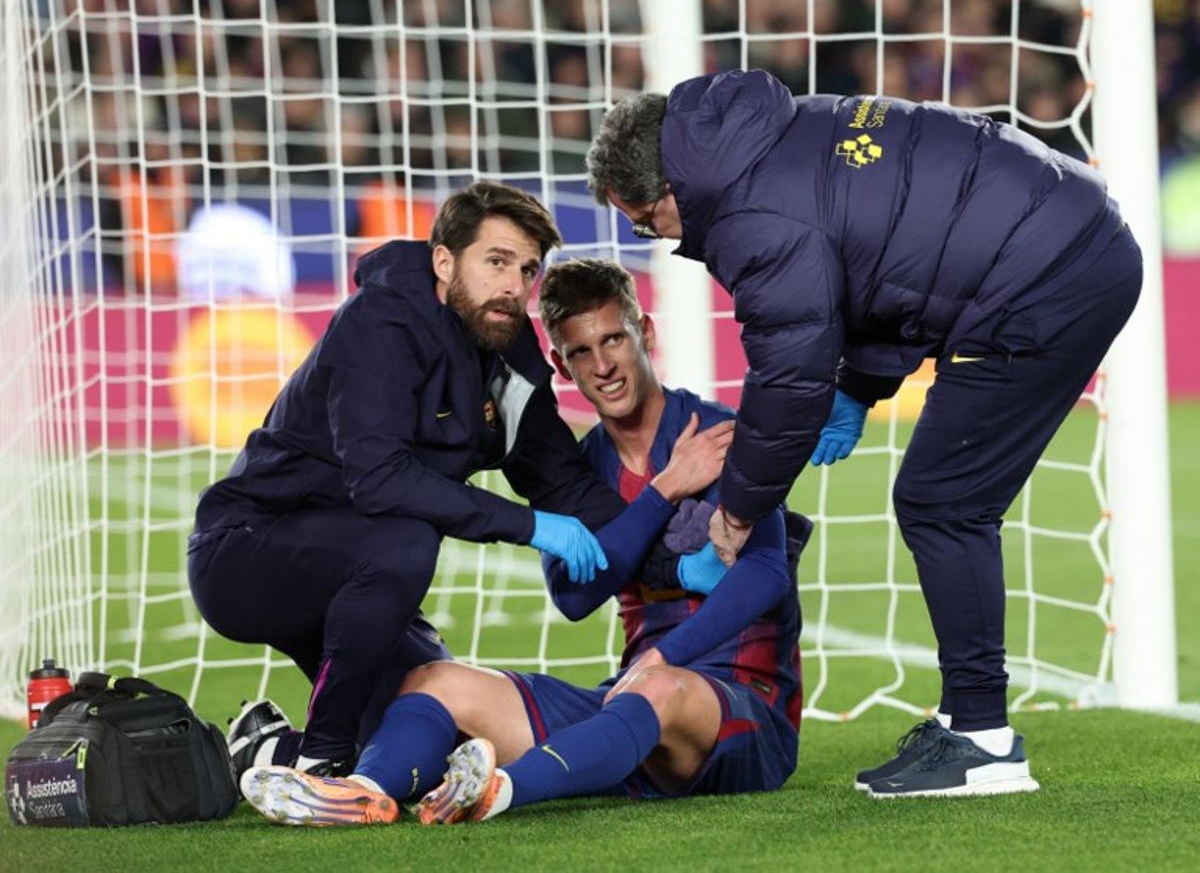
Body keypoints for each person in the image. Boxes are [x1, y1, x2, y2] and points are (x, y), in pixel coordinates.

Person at [585, 69, 1143, 798]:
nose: (649, 236)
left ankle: (983, 741)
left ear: (663, 193)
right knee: (941, 496)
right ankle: (966, 722)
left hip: (1046, 272)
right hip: (1065, 230)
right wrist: (857, 386)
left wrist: (739, 509)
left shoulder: (747, 215)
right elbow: (890, 261)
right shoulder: (768, 133)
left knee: (943, 501)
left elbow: (788, 376)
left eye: (640, 220)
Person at [239, 257, 809, 826]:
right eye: (581, 352)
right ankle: (362, 792)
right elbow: (573, 597)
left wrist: (659, 658)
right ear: (560, 364)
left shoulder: (718, 434)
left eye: (615, 338)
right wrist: (662, 494)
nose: (604, 365)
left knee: (658, 689)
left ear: (647, 334)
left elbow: (766, 575)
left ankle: (499, 791)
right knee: (435, 681)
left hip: (742, 715)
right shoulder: (579, 471)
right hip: (631, 709)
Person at [188, 182, 630, 778]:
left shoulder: (510, 351)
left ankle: (264, 750)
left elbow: (562, 481)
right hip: (248, 552)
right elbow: (380, 480)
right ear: (444, 262)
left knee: (435, 730)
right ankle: (321, 757)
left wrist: (675, 548)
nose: (513, 285)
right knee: (406, 540)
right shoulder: (379, 321)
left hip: (359, 574)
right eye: (496, 261)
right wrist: (529, 527)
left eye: (527, 270)